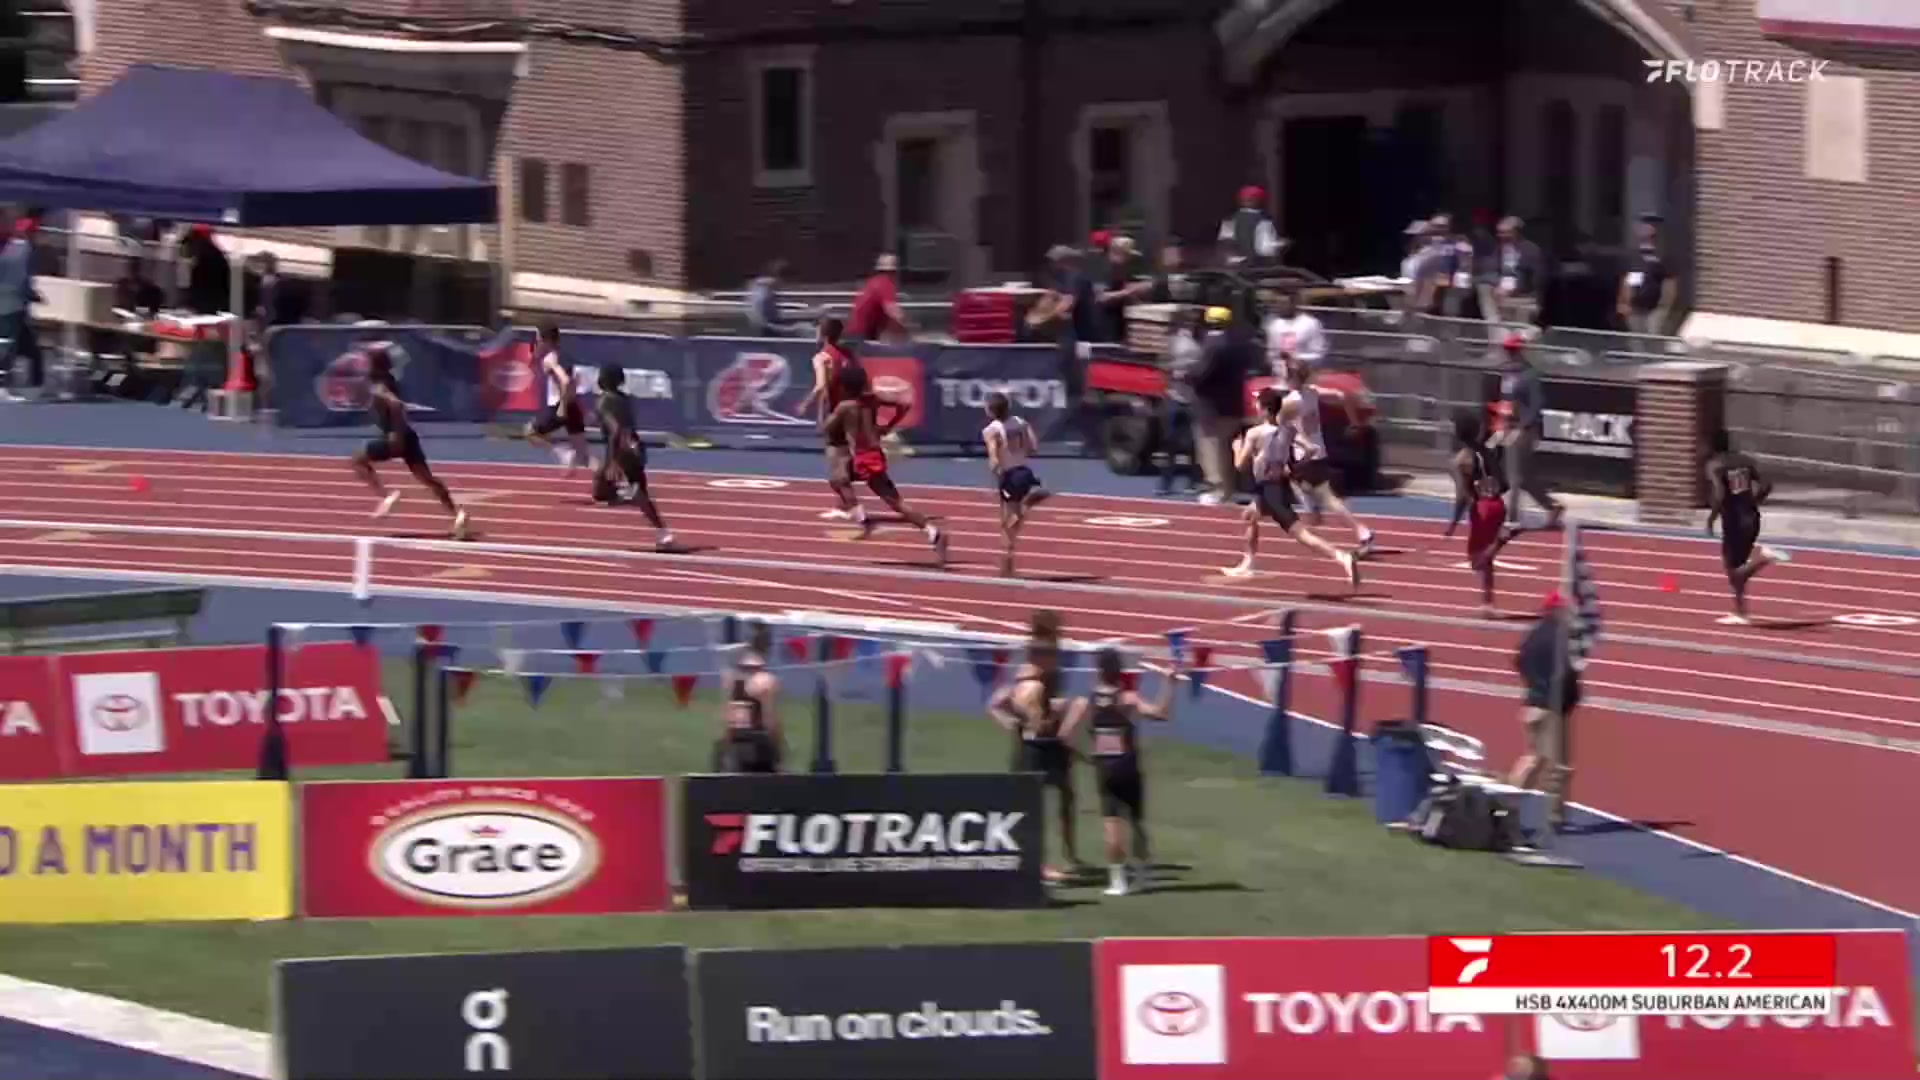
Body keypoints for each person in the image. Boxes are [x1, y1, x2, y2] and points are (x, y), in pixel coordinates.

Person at [1059, 647, 1177, 896]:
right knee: (1137, 823)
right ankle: (1143, 877)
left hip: (1106, 770)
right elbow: (1160, 713)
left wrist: (1085, 757)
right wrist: (1169, 684)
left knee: (1111, 825)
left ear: (1098, 672)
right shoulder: (1128, 699)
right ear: (1119, 672)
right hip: (1129, 767)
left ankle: (1117, 881)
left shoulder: (1085, 702)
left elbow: (1065, 736)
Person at [1223, 388, 1361, 589]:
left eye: (1257, 404)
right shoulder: (1289, 429)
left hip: (1271, 491)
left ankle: (1342, 557)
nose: (1255, 406)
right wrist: (1290, 467)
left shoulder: (1254, 434)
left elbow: (1240, 466)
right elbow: (1309, 450)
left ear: (1265, 409)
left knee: (1302, 535)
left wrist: (1236, 448)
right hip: (1275, 485)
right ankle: (1248, 562)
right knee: (1251, 516)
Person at [989, 610, 1081, 881]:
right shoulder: (1031, 673)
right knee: (1033, 804)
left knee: (1066, 796)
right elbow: (1001, 700)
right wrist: (1018, 720)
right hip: (1034, 745)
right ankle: (1037, 863)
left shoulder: (1049, 662)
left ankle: (1068, 854)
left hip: (1051, 743)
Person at [822, 364, 948, 562]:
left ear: (844, 387)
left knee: (892, 501)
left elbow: (825, 428)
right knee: (838, 479)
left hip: (864, 458)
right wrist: (886, 427)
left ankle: (866, 520)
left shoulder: (845, 407)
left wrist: (825, 404)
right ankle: (929, 530)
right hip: (873, 454)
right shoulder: (873, 399)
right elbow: (903, 405)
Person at [352, 345, 469, 539]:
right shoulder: (388, 381)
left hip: (396, 437)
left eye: (366, 363)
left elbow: (396, 405)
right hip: (408, 436)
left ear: (373, 366)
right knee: (428, 479)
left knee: (357, 460)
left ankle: (387, 496)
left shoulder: (380, 387)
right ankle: (457, 513)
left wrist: (395, 434)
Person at [1283, 355, 1375, 556]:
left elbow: (1282, 426)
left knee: (1308, 488)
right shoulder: (1313, 393)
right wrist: (1354, 422)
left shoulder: (1291, 401)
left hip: (1305, 456)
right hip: (1320, 452)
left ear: (1292, 378)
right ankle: (1315, 513)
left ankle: (1358, 529)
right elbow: (1342, 396)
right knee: (1320, 493)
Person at [1507, 593, 1579, 832]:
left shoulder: (1534, 633)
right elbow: (1568, 673)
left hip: (1531, 703)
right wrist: (1569, 698)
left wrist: (1533, 683)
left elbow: (1518, 660)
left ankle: (1508, 806)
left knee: (1532, 758)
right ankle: (1555, 817)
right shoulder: (1562, 639)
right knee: (1560, 766)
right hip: (1552, 708)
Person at [1704, 429, 1789, 624]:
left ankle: (1764, 558)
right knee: (1738, 569)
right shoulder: (1745, 461)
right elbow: (1767, 485)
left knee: (1733, 572)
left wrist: (1711, 518)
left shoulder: (1714, 465)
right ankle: (1741, 613)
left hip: (1733, 521)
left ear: (1711, 445)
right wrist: (1753, 502)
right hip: (1751, 518)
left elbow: (1720, 493)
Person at [593, 365, 675, 550]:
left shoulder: (603, 402)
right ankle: (664, 534)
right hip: (636, 447)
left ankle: (631, 495)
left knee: (600, 493)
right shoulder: (624, 399)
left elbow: (615, 430)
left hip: (620, 450)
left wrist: (613, 462)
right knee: (642, 495)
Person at [1445, 410, 1517, 618]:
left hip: (1482, 509)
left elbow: (1462, 497)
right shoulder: (1487, 452)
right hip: (1498, 505)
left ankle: (1500, 541)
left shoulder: (1460, 461)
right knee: (1486, 562)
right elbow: (1504, 484)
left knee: (1477, 561)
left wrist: (1453, 524)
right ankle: (1488, 603)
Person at [1491, 334, 1562, 530]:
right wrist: (1500, 425)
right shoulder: (1507, 374)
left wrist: (1524, 426)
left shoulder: (1529, 375)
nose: (1509, 353)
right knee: (1524, 476)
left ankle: (1511, 518)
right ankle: (1552, 506)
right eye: (1507, 350)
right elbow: (1505, 402)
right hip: (1509, 427)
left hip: (1524, 429)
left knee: (1514, 475)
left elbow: (1536, 404)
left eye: (1513, 350)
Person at [800, 316, 866, 523]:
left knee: (835, 462)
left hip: (836, 412)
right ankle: (844, 504)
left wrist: (805, 403)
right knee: (844, 454)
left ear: (824, 334)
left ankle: (853, 505)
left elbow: (821, 387)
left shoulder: (821, 357)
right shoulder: (848, 354)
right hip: (852, 409)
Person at [981, 391, 1050, 576]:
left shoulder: (991, 430)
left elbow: (994, 458)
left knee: (1008, 521)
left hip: (1009, 476)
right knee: (1010, 521)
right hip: (1024, 472)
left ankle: (1006, 562)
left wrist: (994, 476)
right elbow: (1033, 447)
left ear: (990, 410)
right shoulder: (1020, 422)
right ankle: (1007, 563)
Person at [1185, 306, 1248, 505]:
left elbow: (1203, 372)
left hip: (1211, 405)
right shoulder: (1239, 344)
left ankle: (1218, 489)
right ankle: (1229, 489)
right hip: (1234, 402)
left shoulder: (1211, 344)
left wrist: (1188, 376)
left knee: (1211, 447)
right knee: (1227, 448)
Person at [524, 319, 593, 472]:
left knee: (529, 432)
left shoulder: (551, 358)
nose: (536, 341)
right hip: (573, 406)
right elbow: (574, 383)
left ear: (546, 339)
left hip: (560, 406)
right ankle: (615, 483)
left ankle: (562, 453)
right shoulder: (565, 356)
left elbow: (566, 381)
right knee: (584, 457)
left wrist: (562, 407)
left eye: (538, 338)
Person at [714, 622, 782, 773]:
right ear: (767, 648)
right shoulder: (767, 680)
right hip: (759, 746)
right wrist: (777, 749)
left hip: (736, 743)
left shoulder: (732, 678)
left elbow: (727, 717)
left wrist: (724, 747)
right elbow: (769, 720)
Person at [848, 253, 909, 342]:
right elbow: (893, 311)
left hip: (858, 332)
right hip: (863, 334)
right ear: (894, 271)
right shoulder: (885, 284)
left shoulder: (873, 282)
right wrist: (910, 327)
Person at [1264, 290, 1327, 376]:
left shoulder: (1310, 323)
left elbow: (1319, 353)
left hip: (1305, 374)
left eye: (1283, 303)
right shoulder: (1274, 325)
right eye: (1276, 303)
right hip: (1279, 374)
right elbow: (1271, 352)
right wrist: (1272, 360)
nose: (1279, 307)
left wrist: (1298, 359)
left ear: (1294, 304)